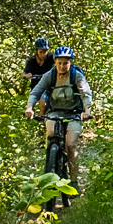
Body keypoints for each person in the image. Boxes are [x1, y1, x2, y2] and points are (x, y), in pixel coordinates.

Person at [25, 46, 94, 187]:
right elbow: (36, 92)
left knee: (71, 145)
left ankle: (74, 181)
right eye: (59, 63)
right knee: (50, 135)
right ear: (55, 62)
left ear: (70, 63)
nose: (62, 66)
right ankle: (50, 165)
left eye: (65, 63)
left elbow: (85, 94)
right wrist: (29, 107)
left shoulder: (76, 76)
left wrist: (87, 111)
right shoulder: (49, 75)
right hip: (55, 112)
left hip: (74, 113)